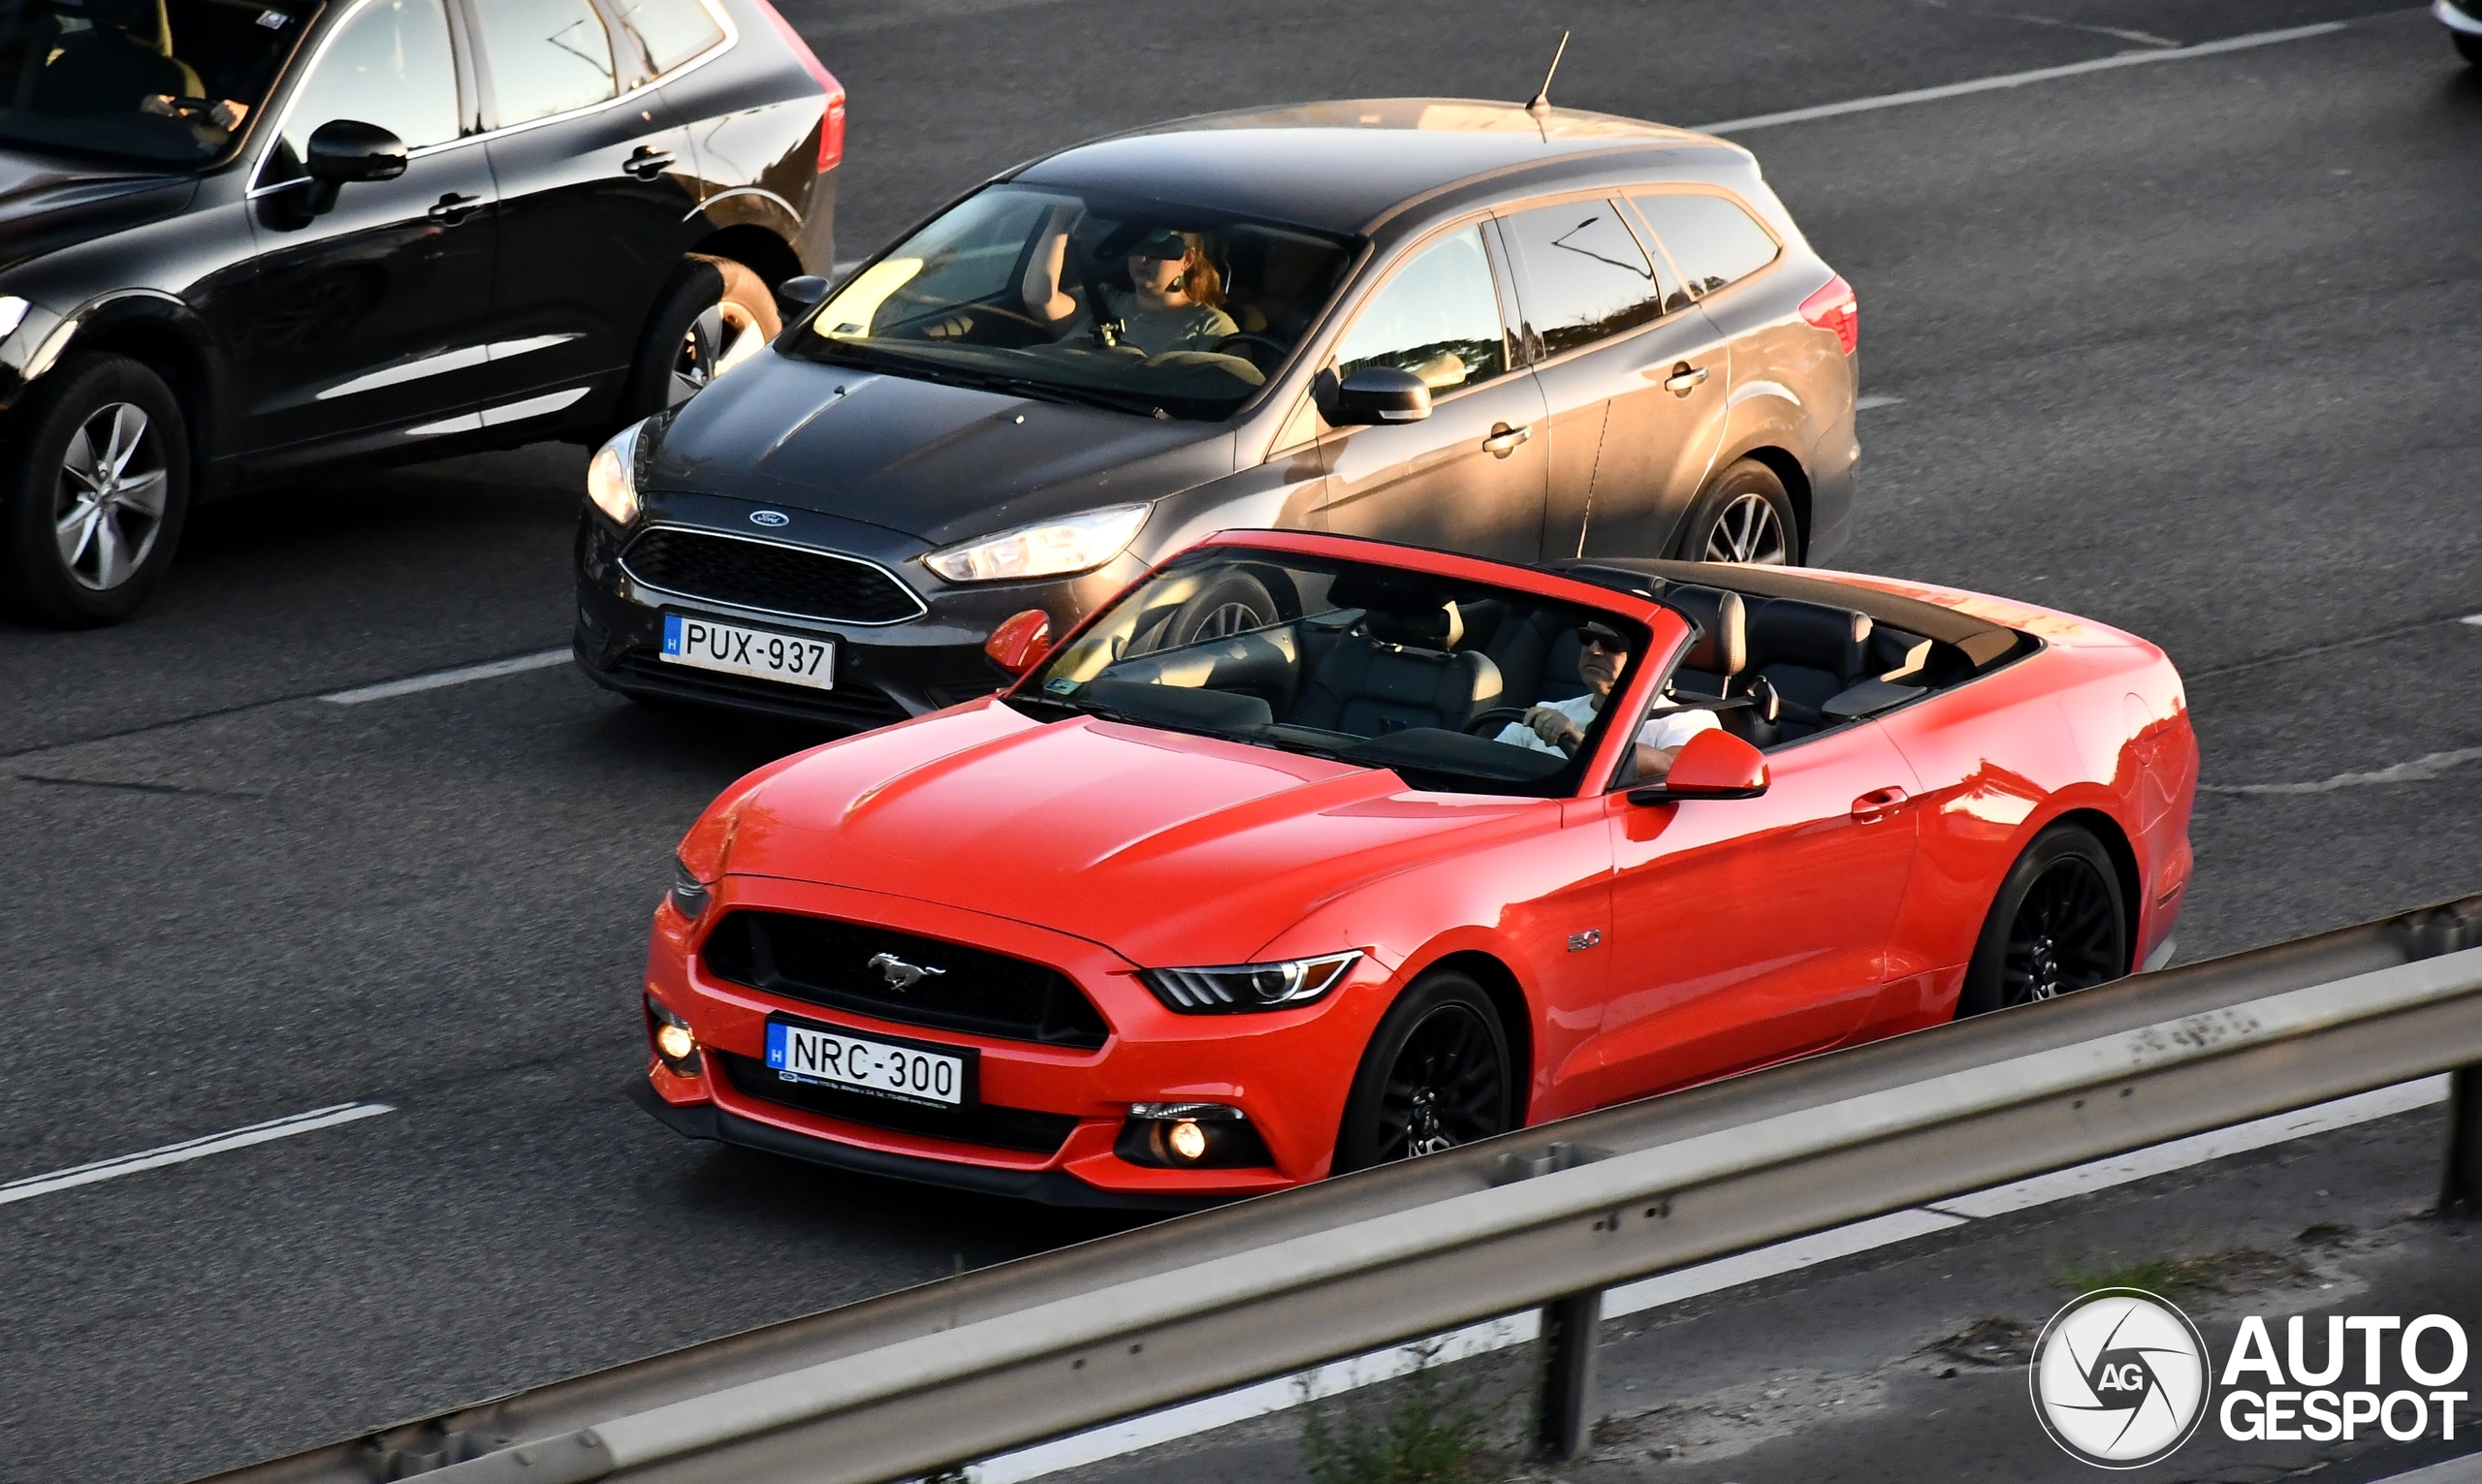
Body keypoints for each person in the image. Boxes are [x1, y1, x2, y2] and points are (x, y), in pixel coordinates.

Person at [1496, 620, 1720, 777]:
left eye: (1612, 643)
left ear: (1648, 655)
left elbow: (1675, 765)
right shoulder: (1547, 712)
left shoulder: (1689, 720)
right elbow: (1486, 763)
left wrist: (1582, 742)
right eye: (1587, 637)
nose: (1593, 649)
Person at [1024, 227, 1238, 358]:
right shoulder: (1100, 300)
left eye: (1159, 249)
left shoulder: (1211, 327)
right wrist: (1061, 220)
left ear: (1187, 260)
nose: (1143, 259)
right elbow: (1039, 299)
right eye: (1136, 248)